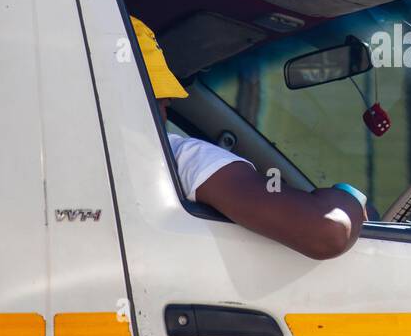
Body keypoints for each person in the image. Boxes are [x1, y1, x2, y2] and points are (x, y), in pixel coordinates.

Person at [131, 16, 365, 260]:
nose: (167, 102)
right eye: (158, 96)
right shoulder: (177, 157)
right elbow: (328, 231)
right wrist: (351, 198)